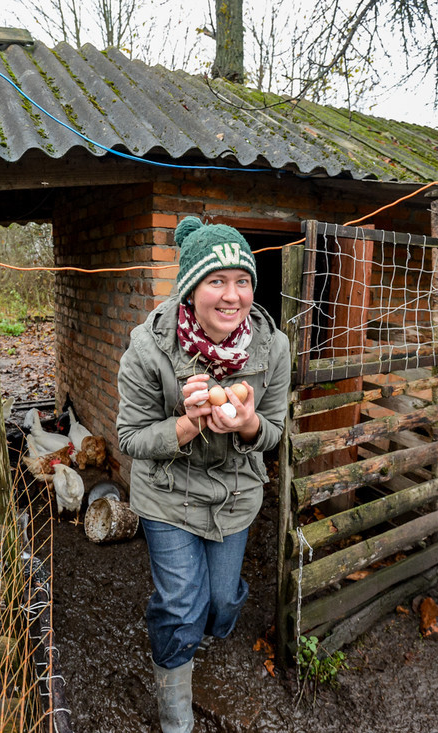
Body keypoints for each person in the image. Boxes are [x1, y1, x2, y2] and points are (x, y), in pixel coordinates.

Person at [116, 216, 291, 733]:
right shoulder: (149, 349)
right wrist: (187, 426)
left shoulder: (271, 348)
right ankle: (176, 715)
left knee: (219, 601)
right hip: (168, 495)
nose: (231, 296)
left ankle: (204, 633)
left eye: (242, 281)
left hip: (235, 495)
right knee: (180, 604)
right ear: (191, 287)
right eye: (216, 281)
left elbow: (276, 431)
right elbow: (130, 438)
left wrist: (250, 425)